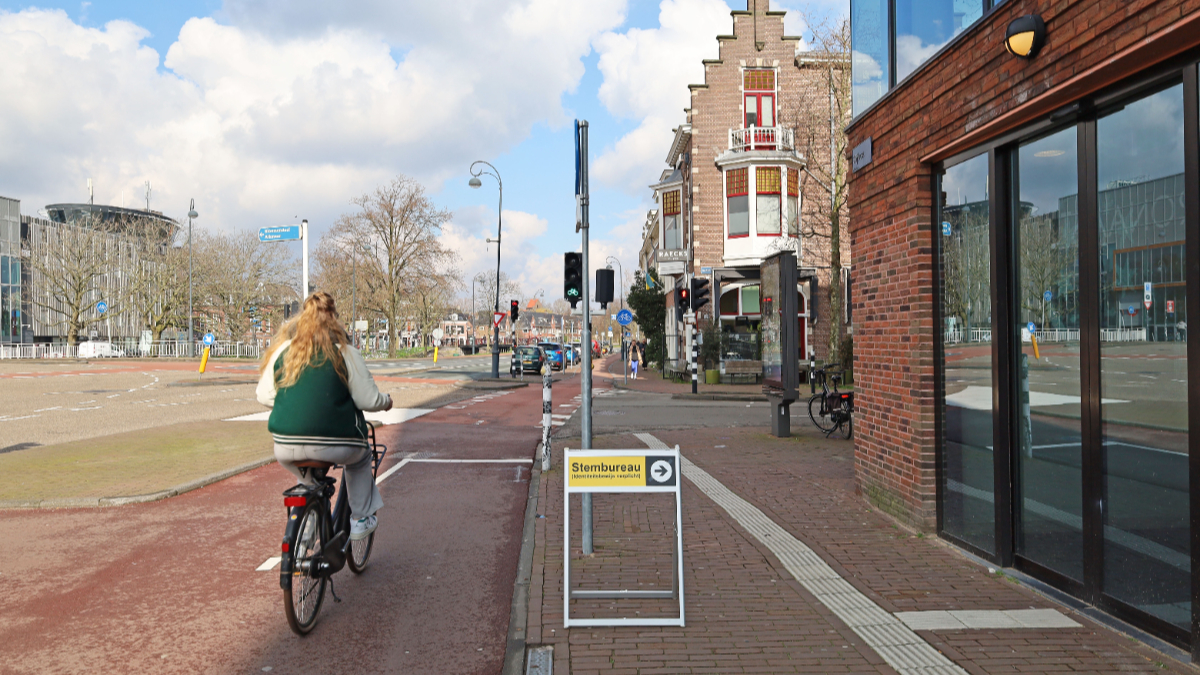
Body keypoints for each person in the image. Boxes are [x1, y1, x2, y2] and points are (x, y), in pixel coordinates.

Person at [257, 292, 393, 541]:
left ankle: (307, 527)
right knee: (362, 458)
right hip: (336, 444)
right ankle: (361, 517)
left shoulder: (283, 351)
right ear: (334, 320)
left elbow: (264, 396)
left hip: (285, 447)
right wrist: (386, 402)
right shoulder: (344, 351)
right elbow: (367, 400)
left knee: (308, 481)